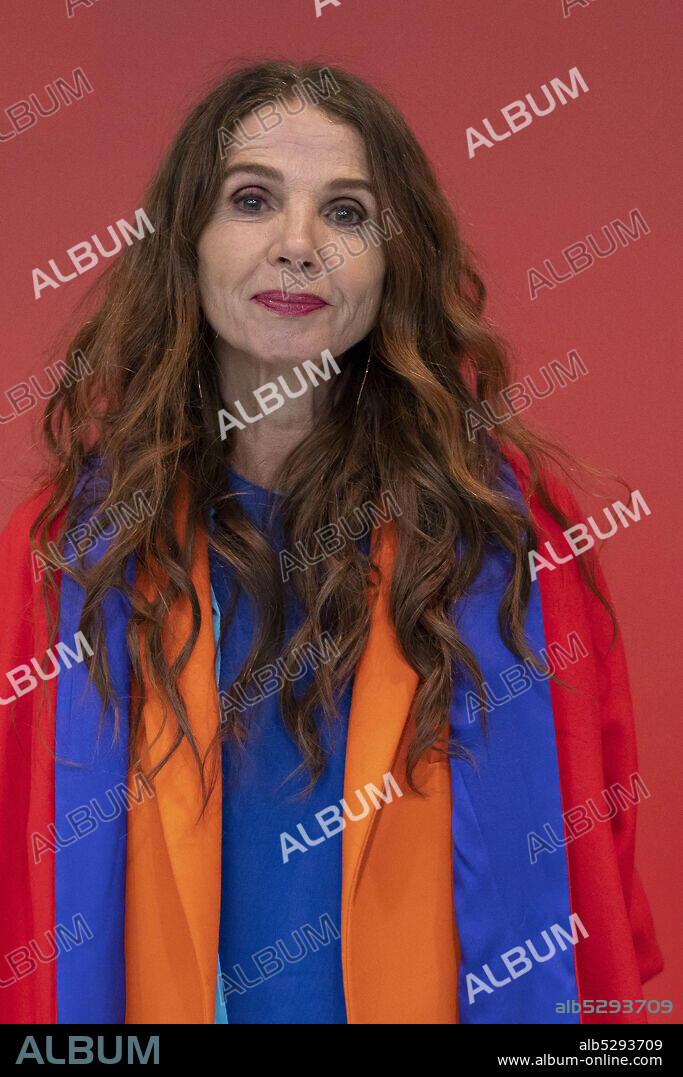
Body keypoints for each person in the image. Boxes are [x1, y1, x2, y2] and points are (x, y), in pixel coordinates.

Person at [0, 60, 662, 1025]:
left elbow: (593, 866)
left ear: (395, 262)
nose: (298, 245)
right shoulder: (70, 554)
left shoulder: (511, 534)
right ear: (186, 241)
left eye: (347, 213)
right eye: (252, 200)